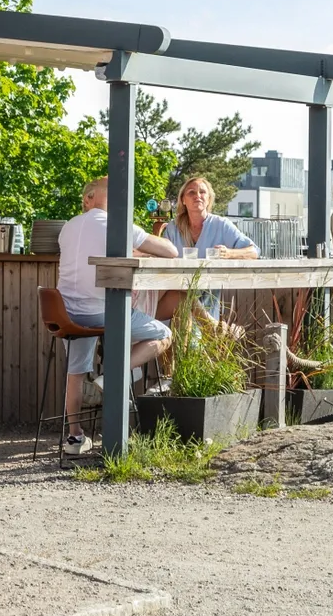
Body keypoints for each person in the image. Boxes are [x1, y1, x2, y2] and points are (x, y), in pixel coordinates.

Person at [56, 176, 178, 453]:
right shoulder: (117, 225)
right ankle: (113, 375)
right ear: (88, 199)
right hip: (104, 315)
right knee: (164, 334)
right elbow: (170, 251)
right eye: (111, 192)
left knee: (75, 374)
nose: (120, 198)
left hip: (69, 316)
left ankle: (75, 438)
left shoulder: (68, 227)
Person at [158, 177, 258, 323]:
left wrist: (229, 254)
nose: (197, 196)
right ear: (183, 200)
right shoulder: (173, 228)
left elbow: (253, 251)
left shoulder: (221, 225)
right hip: (174, 307)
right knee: (181, 308)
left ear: (209, 199)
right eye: (191, 192)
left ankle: (210, 329)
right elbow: (160, 257)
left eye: (202, 192)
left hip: (207, 307)